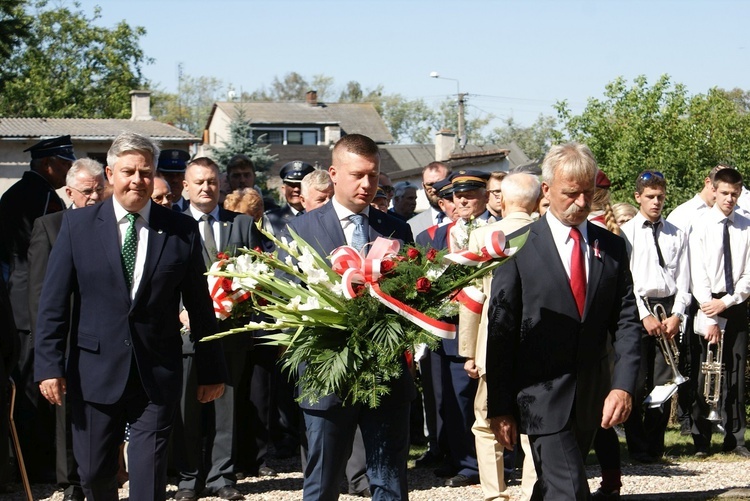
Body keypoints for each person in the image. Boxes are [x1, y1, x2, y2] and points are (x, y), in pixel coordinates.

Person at [34, 132, 228, 501]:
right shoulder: (75, 228)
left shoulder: (180, 231)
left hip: (156, 372)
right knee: (92, 474)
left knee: (149, 479)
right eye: (128, 171)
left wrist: (212, 368)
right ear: (110, 173)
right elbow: (53, 304)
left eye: (144, 171)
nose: (137, 180)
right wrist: (48, 365)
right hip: (93, 372)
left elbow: (200, 306)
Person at [486, 142, 641, 500]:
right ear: (546, 190)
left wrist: (623, 386)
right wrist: (500, 406)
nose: (582, 203)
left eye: (589, 193)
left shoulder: (612, 248)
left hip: (591, 398)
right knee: (571, 490)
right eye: (571, 194)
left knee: (553, 488)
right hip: (539, 398)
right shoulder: (517, 248)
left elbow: (627, 322)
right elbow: (501, 332)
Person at [285, 134, 414, 501]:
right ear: (333, 174)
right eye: (357, 175)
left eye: (373, 176)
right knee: (322, 485)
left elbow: (414, 297)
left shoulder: (397, 229)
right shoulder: (302, 229)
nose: (367, 184)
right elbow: (284, 295)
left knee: (389, 483)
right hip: (326, 377)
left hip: (386, 376)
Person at [172, 157, 263, 501]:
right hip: (185, 333)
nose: (206, 188)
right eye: (199, 182)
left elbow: (257, 274)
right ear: (186, 186)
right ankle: (188, 479)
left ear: (221, 184)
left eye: (211, 181)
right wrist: (179, 313)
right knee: (187, 409)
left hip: (229, 334)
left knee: (225, 409)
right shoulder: (172, 224)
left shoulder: (240, 224)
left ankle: (222, 477)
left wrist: (238, 301)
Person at [28, 158, 107, 501]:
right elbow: (40, 294)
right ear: (69, 191)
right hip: (68, 335)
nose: (92, 197)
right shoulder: (50, 226)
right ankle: (72, 483)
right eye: (86, 192)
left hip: (104, 336)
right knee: (68, 414)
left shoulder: (115, 225)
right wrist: (49, 351)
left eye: (98, 190)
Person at [459, 172, 540, 501]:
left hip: (493, 343)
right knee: (533, 424)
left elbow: (472, 297)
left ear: (502, 200)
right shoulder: (545, 234)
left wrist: (468, 350)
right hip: (537, 341)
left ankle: (495, 493)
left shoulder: (483, 235)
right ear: (537, 200)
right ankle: (533, 491)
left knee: (485, 421)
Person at [0, 134, 75, 483]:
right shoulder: (43, 198)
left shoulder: (17, 193)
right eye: (65, 164)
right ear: (49, 165)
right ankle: (35, 466)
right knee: (34, 387)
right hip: (30, 302)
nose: (69, 170)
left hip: (16, 300)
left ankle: (28, 463)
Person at [620, 171, 690, 468]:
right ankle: (637, 447)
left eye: (660, 197)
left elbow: (685, 278)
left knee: (664, 383)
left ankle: (655, 445)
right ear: (638, 197)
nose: (656, 202)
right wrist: (644, 314)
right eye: (650, 197)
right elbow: (628, 280)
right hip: (639, 309)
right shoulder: (627, 233)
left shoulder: (677, 232)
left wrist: (678, 314)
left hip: (669, 308)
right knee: (635, 381)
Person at [427, 170, 493, 488]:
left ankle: (484, 463)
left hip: (484, 323)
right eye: (457, 195)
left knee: (479, 396)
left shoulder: (495, 230)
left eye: (469, 194)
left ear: (484, 195)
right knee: (451, 397)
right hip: (449, 323)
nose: (462, 200)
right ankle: (459, 457)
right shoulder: (445, 233)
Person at [688, 167, 750, 458]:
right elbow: (697, 273)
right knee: (706, 372)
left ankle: (735, 438)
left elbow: (748, 276)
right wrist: (711, 314)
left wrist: (728, 302)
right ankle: (701, 440)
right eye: (724, 193)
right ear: (713, 189)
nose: (729, 199)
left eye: (734, 194)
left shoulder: (747, 226)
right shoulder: (699, 225)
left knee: (735, 370)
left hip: (734, 303)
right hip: (707, 303)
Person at [265, 161, 316, 236]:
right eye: (292, 185)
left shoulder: (319, 217)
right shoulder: (271, 220)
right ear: (283, 189)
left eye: (300, 185)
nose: (296, 189)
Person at [408, 162, 451, 237]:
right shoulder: (412, 225)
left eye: (439, 183)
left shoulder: (465, 217)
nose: (434, 189)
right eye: (429, 185)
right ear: (423, 186)